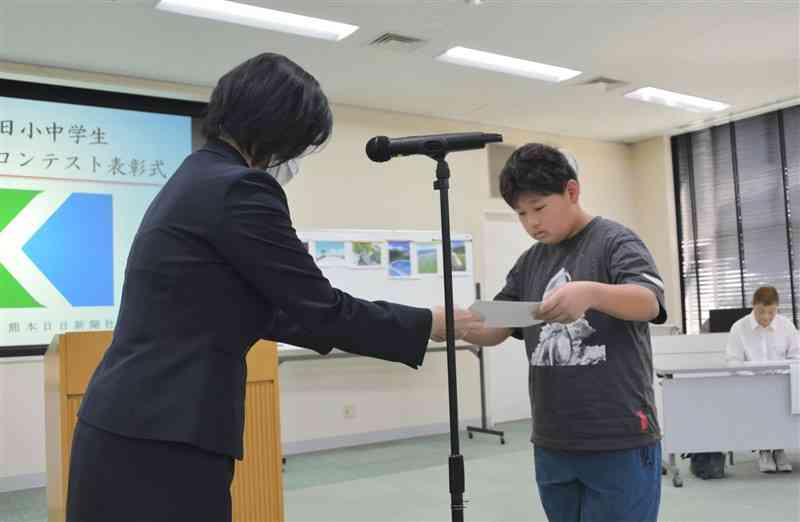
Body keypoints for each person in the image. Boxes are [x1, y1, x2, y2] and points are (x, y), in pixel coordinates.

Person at [65, 53, 481, 522]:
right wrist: (430, 323)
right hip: (164, 435)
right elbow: (320, 308)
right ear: (277, 129)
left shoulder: (193, 177)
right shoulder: (240, 189)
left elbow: (268, 311)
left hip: (129, 426)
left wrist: (420, 325)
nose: (295, 160)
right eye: (300, 145)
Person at [462, 143, 667, 522]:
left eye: (539, 208)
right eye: (521, 214)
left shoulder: (614, 241)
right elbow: (500, 324)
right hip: (553, 438)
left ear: (571, 192)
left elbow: (648, 301)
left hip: (618, 435)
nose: (531, 223)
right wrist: (460, 325)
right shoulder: (530, 262)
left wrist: (590, 292)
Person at [726, 286, 799, 473]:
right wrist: (753, 378)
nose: (766, 317)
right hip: (751, 384)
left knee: (784, 405)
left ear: (777, 308)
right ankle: (764, 450)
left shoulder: (786, 325)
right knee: (760, 403)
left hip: (782, 383)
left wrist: (782, 375)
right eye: (761, 312)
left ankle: (779, 450)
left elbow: (796, 356)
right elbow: (733, 361)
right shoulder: (739, 327)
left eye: (771, 312)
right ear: (753, 306)